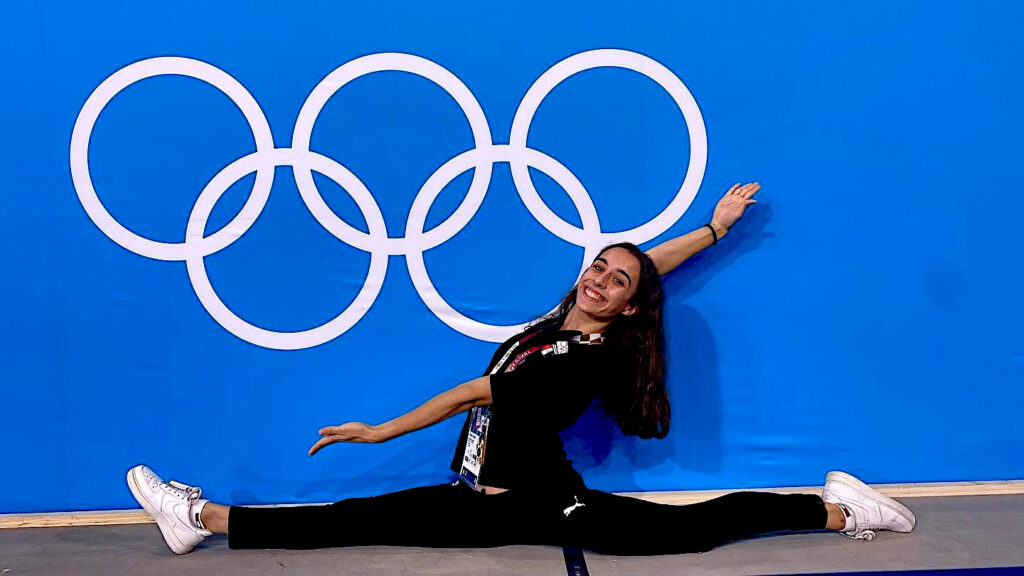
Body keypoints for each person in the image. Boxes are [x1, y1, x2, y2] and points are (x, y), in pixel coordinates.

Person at [126, 182, 916, 555]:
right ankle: (201, 519)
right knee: (350, 519)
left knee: (692, 528)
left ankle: (840, 511)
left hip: (545, 507)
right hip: (476, 501)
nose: (600, 279)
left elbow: (467, 395)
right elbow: (648, 265)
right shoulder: (556, 327)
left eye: (616, 282)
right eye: (598, 267)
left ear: (628, 308)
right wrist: (711, 230)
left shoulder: (582, 358)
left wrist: (377, 432)